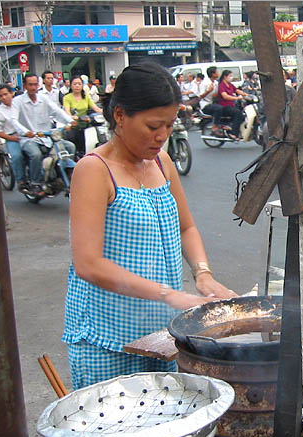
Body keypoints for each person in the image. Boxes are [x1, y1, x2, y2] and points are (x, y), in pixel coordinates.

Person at [63, 62, 237, 390]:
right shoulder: (94, 170)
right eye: (153, 126)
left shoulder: (162, 161)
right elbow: (88, 264)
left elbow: (186, 228)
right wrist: (169, 294)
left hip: (159, 333)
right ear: (120, 116)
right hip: (108, 336)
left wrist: (203, 274)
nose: (162, 136)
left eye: (170, 126)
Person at [11, 73, 77, 193]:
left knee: (70, 147)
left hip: (48, 136)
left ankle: (61, 175)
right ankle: (35, 183)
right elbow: (14, 120)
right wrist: (26, 132)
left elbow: (57, 111)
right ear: (25, 86)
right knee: (35, 154)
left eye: (35, 84)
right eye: (30, 84)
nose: (33, 87)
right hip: (29, 139)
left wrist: (70, 121)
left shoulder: (43, 99)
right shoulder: (17, 101)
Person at [0, 84, 28, 193]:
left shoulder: (21, 104)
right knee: (17, 156)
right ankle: (21, 181)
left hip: (28, 134)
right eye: (1, 96)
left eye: (6, 94)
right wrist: (12, 138)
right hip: (11, 137)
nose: (4, 97)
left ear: (11, 93)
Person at [63, 76, 103, 155]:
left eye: (79, 84)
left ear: (82, 86)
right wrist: (73, 117)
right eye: (75, 84)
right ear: (71, 85)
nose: (77, 86)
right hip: (73, 125)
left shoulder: (86, 97)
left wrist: (106, 112)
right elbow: (67, 112)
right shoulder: (66, 98)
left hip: (86, 125)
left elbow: (96, 109)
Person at [217, 69, 249, 141]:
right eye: (230, 76)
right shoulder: (221, 85)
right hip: (224, 107)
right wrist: (236, 98)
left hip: (231, 106)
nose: (231, 77)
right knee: (238, 113)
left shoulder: (230, 85)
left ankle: (236, 130)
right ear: (225, 77)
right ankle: (233, 133)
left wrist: (247, 95)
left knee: (242, 114)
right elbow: (225, 96)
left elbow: (237, 90)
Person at [199, 66, 225, 135]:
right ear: (213, 74)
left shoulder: (216, 83)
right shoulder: (204, 83)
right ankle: (215, 127)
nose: (218, 73)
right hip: (205, 105)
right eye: (217, 72)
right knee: (218, 108)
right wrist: (208, 91)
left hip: (213, 103)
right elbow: (200, 96)